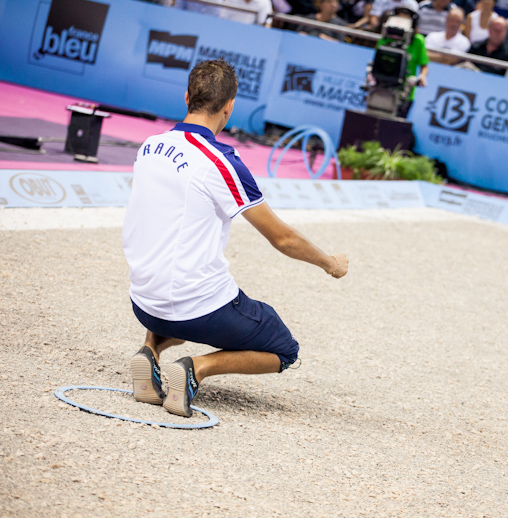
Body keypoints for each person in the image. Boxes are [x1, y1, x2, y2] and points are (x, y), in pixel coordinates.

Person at [123, 60, 349, 418]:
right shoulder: (220, 162)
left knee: (176, 296)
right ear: (229, 107)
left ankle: (150, 350)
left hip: (143, 303)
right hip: (194, 309)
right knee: (283, 348)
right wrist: (330, 263)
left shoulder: (150, 145)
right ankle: (197, 369)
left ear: (187, 97)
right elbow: (283, 239)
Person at [376, 7, 430, 117]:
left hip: (405, 92)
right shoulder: (385, 38)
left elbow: (424, 65)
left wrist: (422, 77)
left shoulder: (418, 41)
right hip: (381, 88)